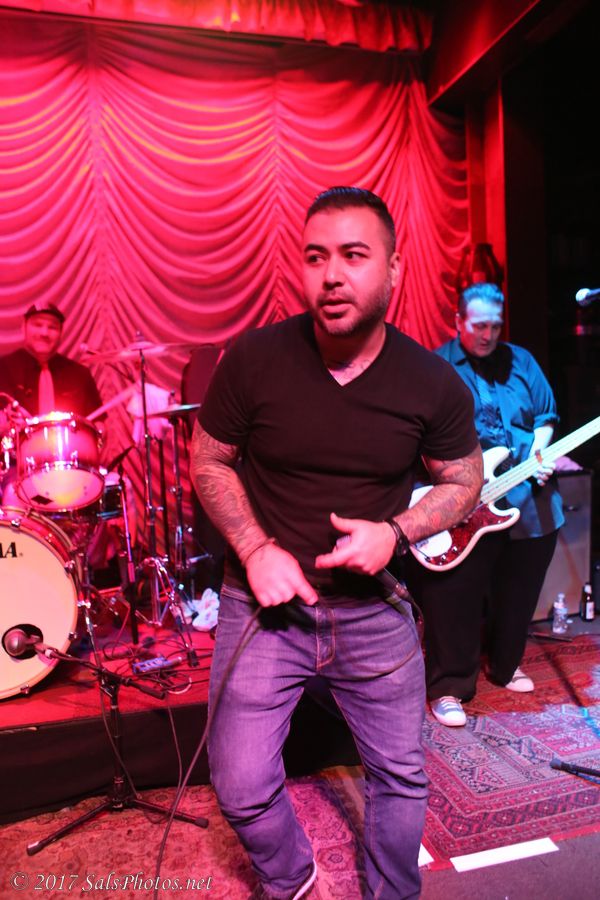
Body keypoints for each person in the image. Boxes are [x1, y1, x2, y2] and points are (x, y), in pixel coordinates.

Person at [189, 186, 483, 899]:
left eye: (354, 256)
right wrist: (255, 548)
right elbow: (208, 460)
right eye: (316, 257)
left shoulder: (432, 382)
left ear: (394, 269)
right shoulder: (255, 360)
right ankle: (292, 877)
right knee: (241, 783)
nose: (331, 275)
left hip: (372, 608)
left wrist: (396, 532)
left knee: (400, 776)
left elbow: (464, 480)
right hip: (264, 609)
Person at [405, 282, 564, 728]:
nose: (488, 335)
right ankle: (449, 687)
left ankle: (506, 663)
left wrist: (540, 450)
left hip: (526, 495)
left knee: (520, 585)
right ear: (458, 321)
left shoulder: (522, 361)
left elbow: (546, 415)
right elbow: (420, 433)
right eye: (479, 326)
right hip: (465, 499)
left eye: (495, 326)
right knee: (455, 594)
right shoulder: (436, 366)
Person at [0, 301, 102, 502]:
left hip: (74, 468)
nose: (44, 332)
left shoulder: (80, 374)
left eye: (52, 327)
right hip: (18, 467)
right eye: (38, 325)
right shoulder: (3, 368)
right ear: (23, 328)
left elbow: (99, 425)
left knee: (119, 487)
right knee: (13, 494)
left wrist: (97, 439)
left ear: (61, 332)